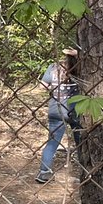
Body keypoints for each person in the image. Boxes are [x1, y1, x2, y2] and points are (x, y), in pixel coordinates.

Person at [37, 47, 81, 184]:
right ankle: (85, 171)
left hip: (56, 110)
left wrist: (55, 88)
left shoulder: (54, 67)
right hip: (76, 110)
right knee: (81, 142)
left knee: (52, 142)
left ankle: (43, 173)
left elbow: (42, 86)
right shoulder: (80, 68)